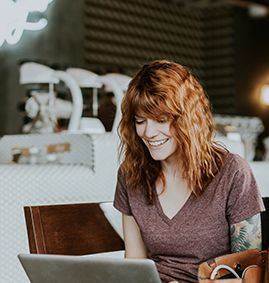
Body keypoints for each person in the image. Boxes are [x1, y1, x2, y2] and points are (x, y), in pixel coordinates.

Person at [113, 60, 265, 283]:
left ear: (187, 119)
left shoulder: (232, 173)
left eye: (161, 120)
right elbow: (135, 261)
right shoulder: (131, 175)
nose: (149, 132)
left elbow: (250, 275)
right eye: (140, 121)